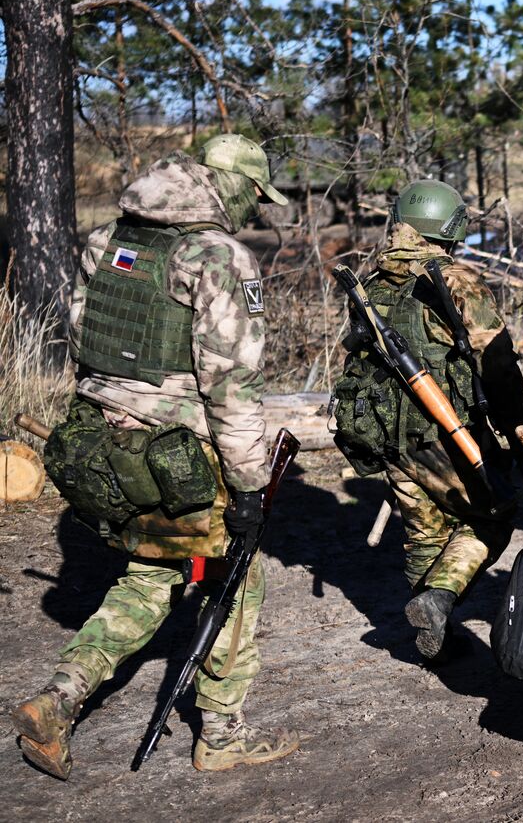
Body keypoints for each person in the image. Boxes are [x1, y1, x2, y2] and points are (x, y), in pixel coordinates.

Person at [12, 135, 299, 778]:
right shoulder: (220, 257)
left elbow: (88, 348)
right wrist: (250, 484)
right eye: (255, 195)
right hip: (181, 456)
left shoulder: (107, 241)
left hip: (102, 441)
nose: (254, 209)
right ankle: (221, 736)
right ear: (231, 186)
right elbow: (231, 386)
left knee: (150, 576)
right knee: (235, 577)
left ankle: (59, 697)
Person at [331, 179, 523, 661]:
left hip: (386, 431)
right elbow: (496, 358)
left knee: (423, 531)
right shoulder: (454, 279)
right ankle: (439, 598)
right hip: (447, 431)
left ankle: (434, 635)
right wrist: (518, 422)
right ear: (449, 227)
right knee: (495, 518)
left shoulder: (372, 281)